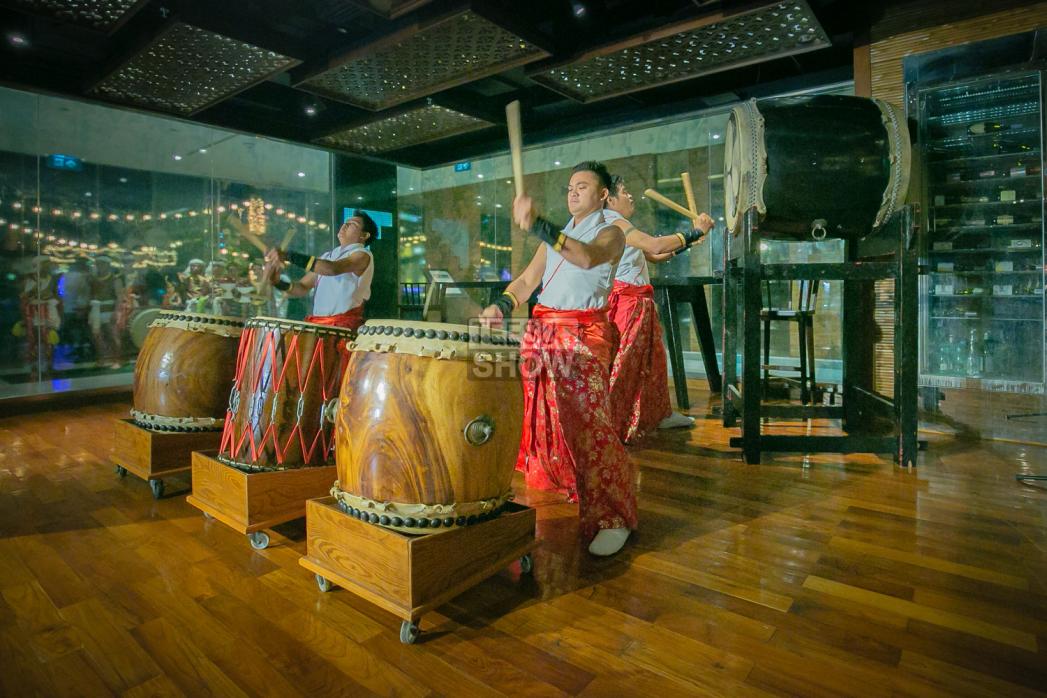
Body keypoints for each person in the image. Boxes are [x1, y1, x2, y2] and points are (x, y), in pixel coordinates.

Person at [480, 161, 635, 557]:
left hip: (582, 334)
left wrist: (538, 224)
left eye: (582, 186)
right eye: (569, 187)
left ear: (603, 194)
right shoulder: (556, 237)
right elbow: (526, 281)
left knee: (589, 423)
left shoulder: (611, 232)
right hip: (543, 332)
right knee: (541, 416)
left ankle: (614, 517)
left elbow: (586, 258)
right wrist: (501, 305)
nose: (573, 192)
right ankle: (562, 482)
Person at [604, 175, 715, 443]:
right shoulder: (613, 222)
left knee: (652, 361)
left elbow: (654, 256)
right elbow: (655, 245)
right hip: (628, 303)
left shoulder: (622, 226)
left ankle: (659, 414)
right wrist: (695, 231)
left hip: (636, 301)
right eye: (625, 191)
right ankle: (610, 423)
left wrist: (689, 241)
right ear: (610, 199)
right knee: (625, 365)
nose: (630, 196)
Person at [263, 211, 375, 331]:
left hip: (343, 328)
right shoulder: (327, 256)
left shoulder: (363, 255)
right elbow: (302, 287)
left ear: (364, 235)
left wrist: (288, 256)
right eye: (345, 222)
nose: (345, 225)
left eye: (352, 224)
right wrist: (277, 282)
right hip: (320, 326)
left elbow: (332, 269)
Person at [89, 256, 124, 367]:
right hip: (96, 310)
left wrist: (116, 312)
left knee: (113, 335)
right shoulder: (93, 279)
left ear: (108, 265)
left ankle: (117, 359)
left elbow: (119, 297)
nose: (99, 266)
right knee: (97, 336)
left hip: (110, 310)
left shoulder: (115, 280)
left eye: (102, 264)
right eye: (97, 264)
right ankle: (103, 358)